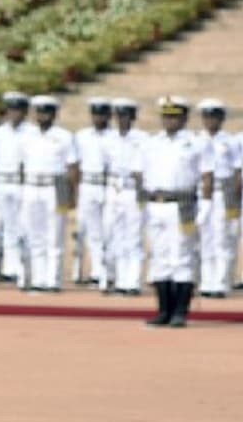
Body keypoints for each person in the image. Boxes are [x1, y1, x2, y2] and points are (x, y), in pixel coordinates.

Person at [140, 96, 213, 327]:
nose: (170, 121)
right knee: (160, 257)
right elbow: (142, 175)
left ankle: (180, 311)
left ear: (184, 118)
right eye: (166, 116)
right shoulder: (152, 142)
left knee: (182, 257)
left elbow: (207, 177)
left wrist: (206, 207)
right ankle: (163, 310)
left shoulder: (196, 143)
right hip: (156, 203)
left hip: (183, 205)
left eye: (175, 116)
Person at [19, 95, 78, 292]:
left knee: (54, 235)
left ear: (54, 114)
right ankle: (38, 279)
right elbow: (21, 164)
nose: (42, 116)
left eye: (47, 112)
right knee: (34, 235)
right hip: (31, 185)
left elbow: (72, 167)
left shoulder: (64, 136)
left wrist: (71, 195)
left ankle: (53, 280)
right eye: (39, 112)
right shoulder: (27, 135)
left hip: (55, 186)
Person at [101, 98, 148, 296]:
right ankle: (120, 280)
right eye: (119, 116)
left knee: (134, 237)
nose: (122, 120)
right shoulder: (108, 139)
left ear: (133, 117)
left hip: (133, 189)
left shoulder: (143, 139)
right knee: (113, 235)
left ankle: (133, 282)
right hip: (113, 189)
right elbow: (105, 167)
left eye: (126, 116)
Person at [195, 99, 241, 298]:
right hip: (201, 194)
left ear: (222, 119)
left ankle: (221, 282)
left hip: (223, 193)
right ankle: (207, 281)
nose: (210, 121)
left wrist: (235, 199)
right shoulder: (195, 140)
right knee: (205, 239)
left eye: (214, 117)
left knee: (223, 238)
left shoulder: (231, 141)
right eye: (206, 116)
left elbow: (238, 170)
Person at [0, 91, 30, 283]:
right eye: (11, 110)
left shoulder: (31, 132)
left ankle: (17, 266)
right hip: (1, 181)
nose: (15, 114)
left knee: (20, 225)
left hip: (21, 183)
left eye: (19, 110)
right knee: (1, 225)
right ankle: (2, 266)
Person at [74, 98, 112, 286]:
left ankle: (108, 270)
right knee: (91, 231)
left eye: (102, 115)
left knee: (108, 230)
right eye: (95, 114)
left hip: (109, 186)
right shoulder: (82, 136)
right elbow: (76, 164)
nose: (99, 118)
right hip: (88, 184)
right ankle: (96, 270)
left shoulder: (114, 137)